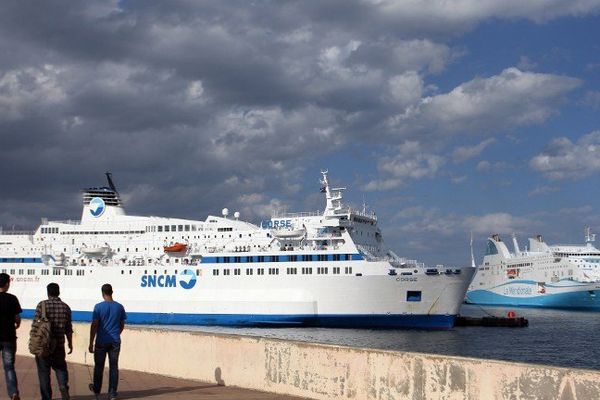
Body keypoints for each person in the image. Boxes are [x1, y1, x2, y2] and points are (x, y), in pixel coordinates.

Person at [34, 282, 73, 400]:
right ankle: (62, 386)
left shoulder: (42, 305)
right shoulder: (65, 307)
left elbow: (36, 325)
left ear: (48, 292)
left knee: (44, 373)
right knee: (60, 368)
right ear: (59, 292)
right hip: (59, 344)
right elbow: (68, 328)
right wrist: (70, 343)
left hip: (44, 345)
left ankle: (46, 397)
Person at [89, 284, 126, 400]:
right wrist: (116, 334)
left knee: (99, 366)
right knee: (114, 367)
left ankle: (96, 388)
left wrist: (91, 342)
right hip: (115, 341)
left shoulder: (98, 307)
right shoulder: (119, 307)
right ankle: (112, 393)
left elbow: (94, 325)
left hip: (101, 341)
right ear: (112, 292)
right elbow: (122, 325)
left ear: (102, 293)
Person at [0, 273, 21, 400]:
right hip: (8, 337)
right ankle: (13, 393)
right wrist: (17, 325)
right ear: (7, 283)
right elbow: (17, 318)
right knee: (9, 367)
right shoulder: (12, 298)